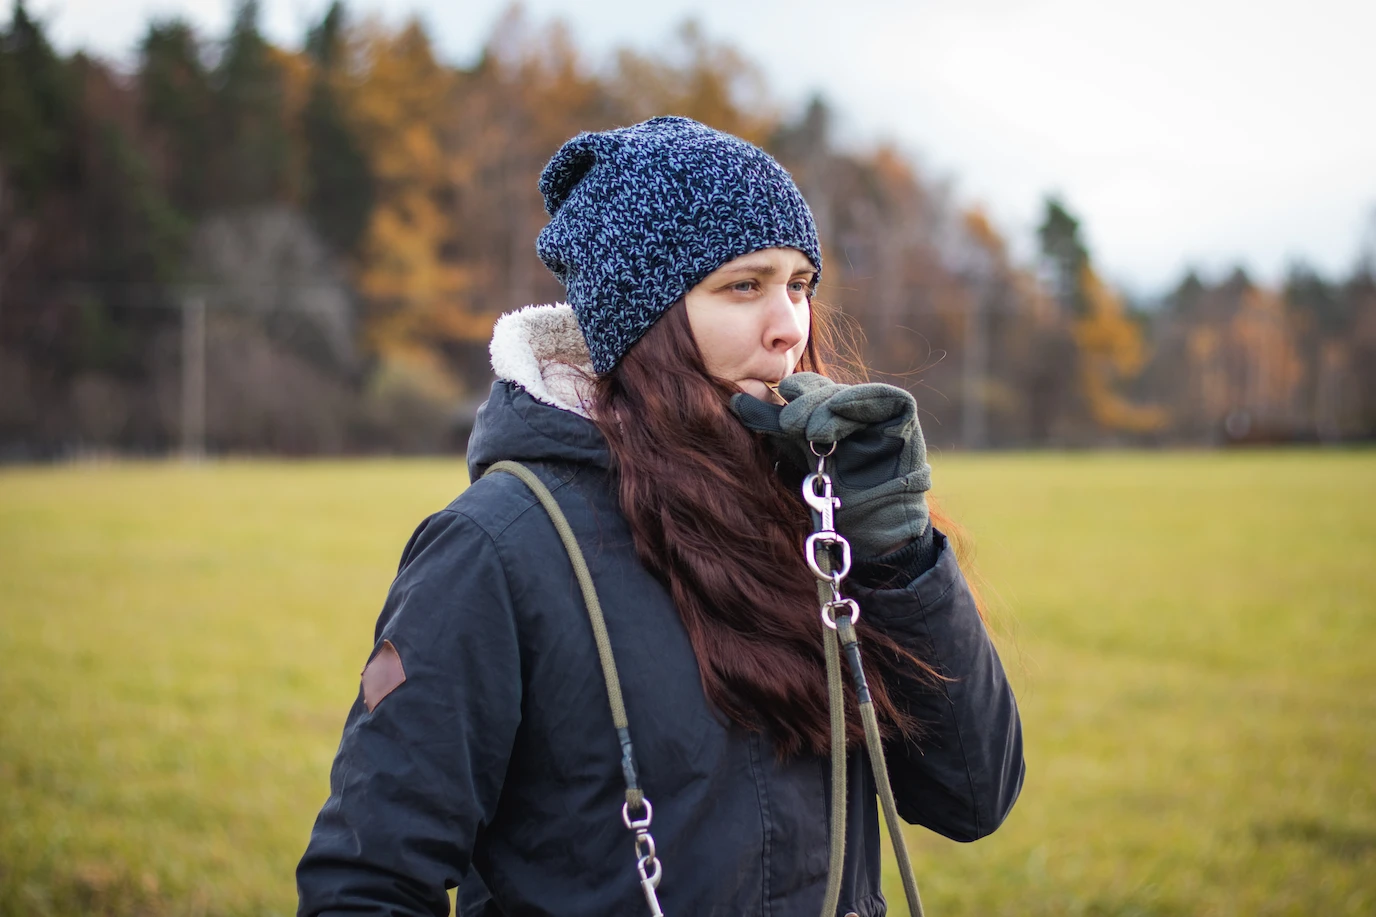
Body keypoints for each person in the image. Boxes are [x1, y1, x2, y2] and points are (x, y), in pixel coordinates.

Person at [297, 116, 1024, 917]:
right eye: (743, 285)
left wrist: (896, 546)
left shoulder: (814, 518)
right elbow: (364, 885)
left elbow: (973, 794)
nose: (789, 325)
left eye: (799, 284)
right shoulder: (496, 548)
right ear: (640, 317)